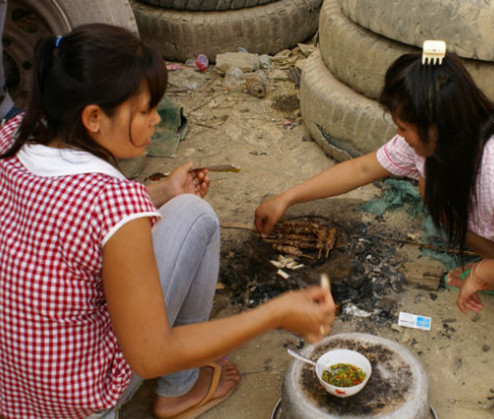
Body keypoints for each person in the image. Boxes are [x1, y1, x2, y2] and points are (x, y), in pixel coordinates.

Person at [255, 42, 494, 396]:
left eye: (403, 127)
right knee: (430, 186)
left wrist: (483, 274)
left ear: (436, 126)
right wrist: (287, 198)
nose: (399, 134)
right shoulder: (440, 141)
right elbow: (362, 169)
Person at [0, 23, 335, 419]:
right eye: (145, 111)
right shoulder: (111, 203)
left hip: (13, 392)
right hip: (75, 405)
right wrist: (275, 314)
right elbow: (151, 355)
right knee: (198, 217)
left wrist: (163, 192)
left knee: (185, 207)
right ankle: (177, 391)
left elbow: (72, 222)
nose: (157, 120)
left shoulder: (15, 135)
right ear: (93, 117)